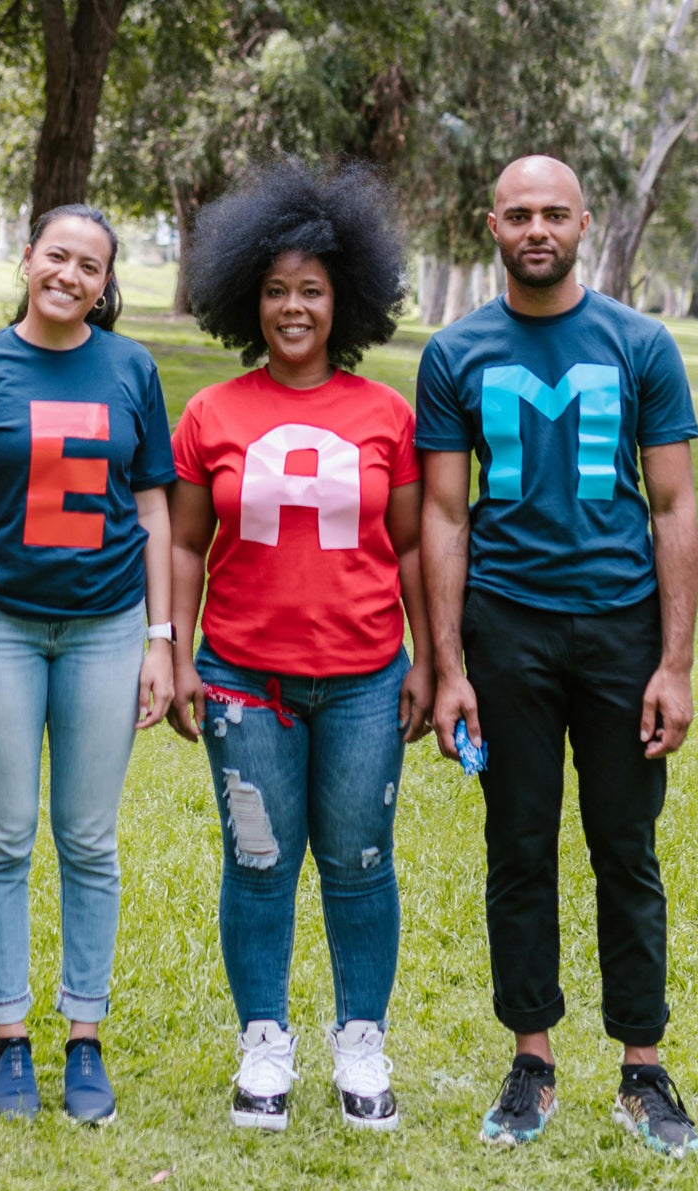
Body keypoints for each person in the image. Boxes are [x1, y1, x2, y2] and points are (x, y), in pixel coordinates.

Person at [417, 155, 698, 1157]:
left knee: (625, 847)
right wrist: (447, 665)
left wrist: (672, 663)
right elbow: (444, 513)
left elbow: (670, 504)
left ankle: (641, 1066)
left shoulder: (639, 344)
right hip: (507, 629)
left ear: (584, 222)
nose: (535, 227)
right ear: (487, 224)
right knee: (519, 844)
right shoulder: (455, 353)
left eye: (554, 212)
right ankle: (530, 1059)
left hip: (621, 628)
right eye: (517, 213)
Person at [167, 161, 433, 1132]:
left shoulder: (385, 415)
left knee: (359, 861)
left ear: (343, 299)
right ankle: (264, 1043)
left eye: (310, 290)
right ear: (246, 296)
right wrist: (170, 650)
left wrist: (435, 663)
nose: (292, 307)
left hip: (365, 676)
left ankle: (359, 1041)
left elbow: (408, 545)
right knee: (258, 860)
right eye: (274, 289)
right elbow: (187, 542)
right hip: (242, 675)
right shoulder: (211, 413)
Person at [0, 204, 175, 1125]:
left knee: (87, 837)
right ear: (27, 258)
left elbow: (153, 510)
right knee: (4, 835)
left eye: (91, 266)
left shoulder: (132, 369)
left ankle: (85, 1037)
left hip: (106, 626)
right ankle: (9, 1040)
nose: (70, 275)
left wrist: (159, 639)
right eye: (56, 256)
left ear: (108, 283)